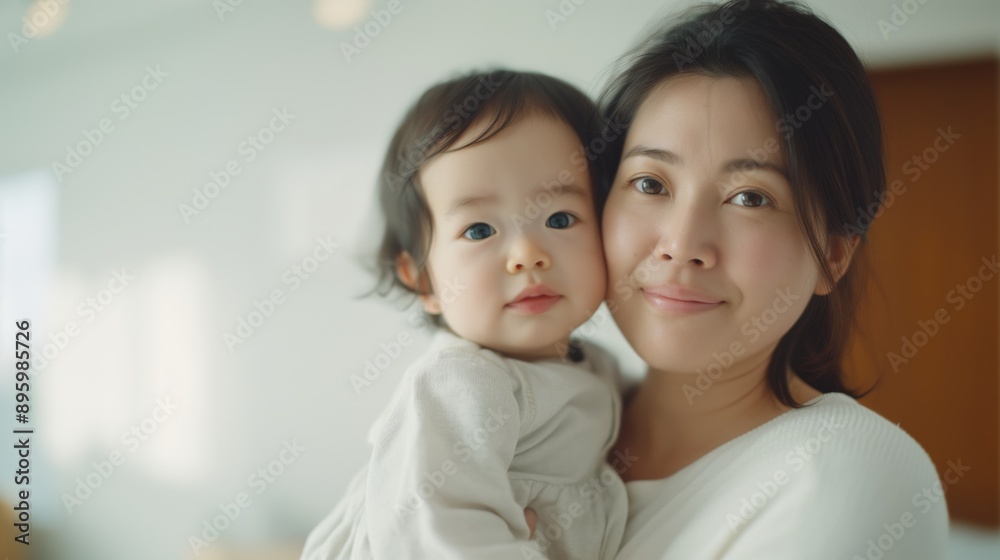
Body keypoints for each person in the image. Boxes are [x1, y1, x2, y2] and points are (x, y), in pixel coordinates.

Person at [593, 0, 950, 557]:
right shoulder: (544, 418)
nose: (683, 245)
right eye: (649, 184)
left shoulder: (844, 474)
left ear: (833, 256)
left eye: (750, 197)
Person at [301, 70, 628, 560]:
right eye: (478, 231)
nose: (527, 254)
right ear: (423, 279)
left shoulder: (597, 367)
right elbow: (431, 536)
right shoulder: (462, 383)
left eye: (560, 218)